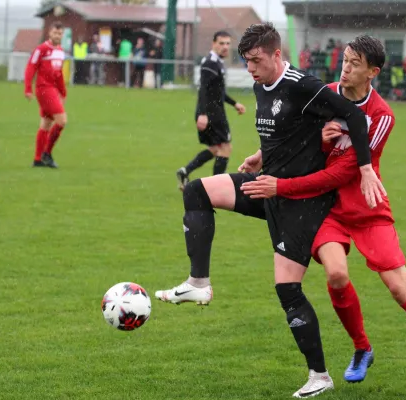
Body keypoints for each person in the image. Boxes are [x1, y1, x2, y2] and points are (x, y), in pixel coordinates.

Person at [155, 23, 386, 398]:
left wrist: (363, 168)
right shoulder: (263, 83)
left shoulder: (302, 85)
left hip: (301, 204)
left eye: (256, 60)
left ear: (277, 55)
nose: (250, 68)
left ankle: (320, 375)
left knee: (287, 289)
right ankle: (198, 284)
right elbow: (287, 131)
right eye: (246, 61)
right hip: (268, 187)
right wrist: (261, 155)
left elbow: (356, 117)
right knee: (197, 191)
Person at [241, 35, 406, 400]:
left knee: (401, 289)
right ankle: (362, 347)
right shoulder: (325, 93)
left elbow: (344, 172)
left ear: (373, 72)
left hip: (367, 209)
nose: (345, 67)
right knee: (336, 275)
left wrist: (282, 186)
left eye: (354, 64)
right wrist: (274, 151)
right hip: (328, 209)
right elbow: (294, 135)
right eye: (345, 60)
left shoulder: (382, 115)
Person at [176, 31, 246, 191]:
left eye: (228, 43)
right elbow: (203, 90)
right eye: (221, 43)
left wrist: (234, 103)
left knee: (216, 149)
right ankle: (215, 188)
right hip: (212, 114)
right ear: (213, 44)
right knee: (226, 148)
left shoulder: (216, 62)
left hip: (212, 112)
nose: (225, 47)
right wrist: (202, 114)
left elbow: (218, 91)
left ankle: (185, 171)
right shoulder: (210, 64)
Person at [24, 21, 67, 168]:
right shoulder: (41, 49)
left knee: (46, 125)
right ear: (49, 33)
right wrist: (28, 88)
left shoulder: (61, 51)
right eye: (55, 32)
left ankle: (37, 159)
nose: (57, 35)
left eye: (60, 33)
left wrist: (63, 91)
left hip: (53, 89)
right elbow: (31, 67)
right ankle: (46, 154)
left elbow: (59, 73)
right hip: (44, 89)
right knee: (62, 121)